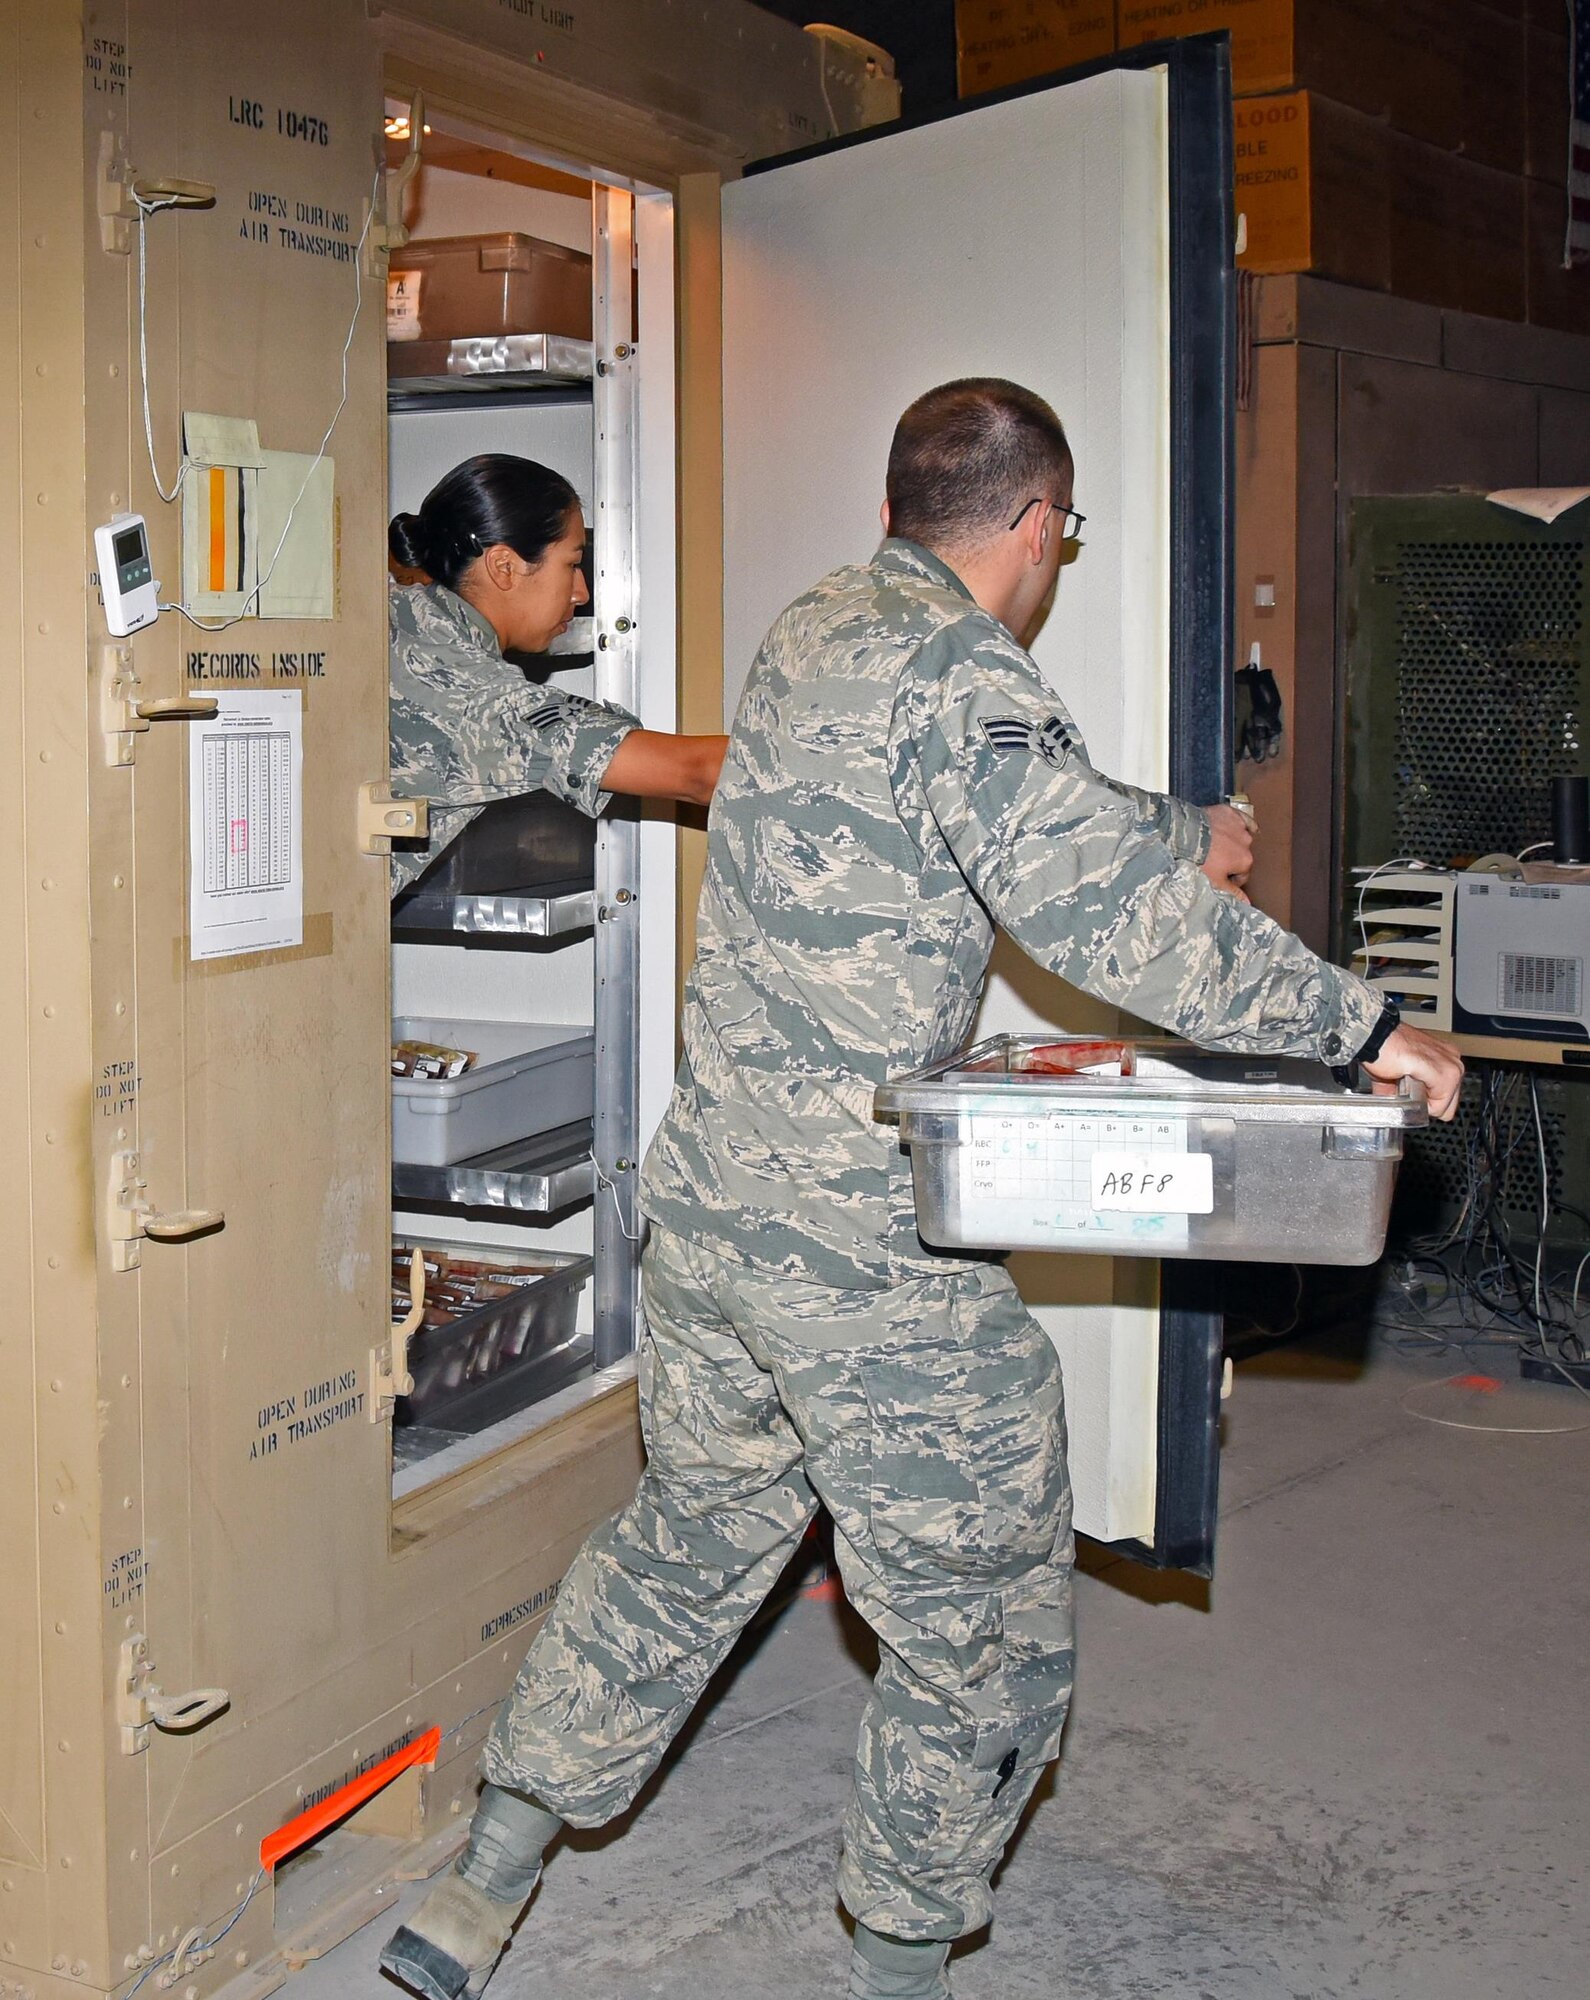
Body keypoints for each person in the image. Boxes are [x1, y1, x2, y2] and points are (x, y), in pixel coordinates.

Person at [382, 381, 1463, 2000]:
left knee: (687, 1540)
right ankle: (897, 1960)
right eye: (1064, 536)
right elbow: (1101, 917)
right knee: (982, 1617)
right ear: (1037, 529)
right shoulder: (967, 670)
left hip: (713, 1207)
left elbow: (977, 816)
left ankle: (480, 1887)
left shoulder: (816, 630)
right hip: (853, 1243)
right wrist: (1363, 1025)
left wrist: (1178, 828)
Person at [388, 453, 725, 896]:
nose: (582, 592)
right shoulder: (476, 696)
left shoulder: (394, 613)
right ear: (504, 566)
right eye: (571, 564)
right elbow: (698, 774)